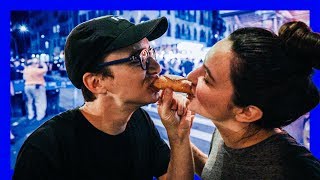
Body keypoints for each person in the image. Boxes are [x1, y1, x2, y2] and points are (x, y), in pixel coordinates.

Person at [13, 15, 192, 180]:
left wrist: (179, 136)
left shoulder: (140, 120)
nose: (157, 67)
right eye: (140, 57)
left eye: (150, 52)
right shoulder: (44, 151)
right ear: (96, 83)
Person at [158, 21, 320, 179]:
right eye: (202, 64)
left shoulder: (295, 172)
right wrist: (180, 134)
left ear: (247, 112)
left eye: (207, 79)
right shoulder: (227, 130)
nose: (191, 76)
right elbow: (217, 172)